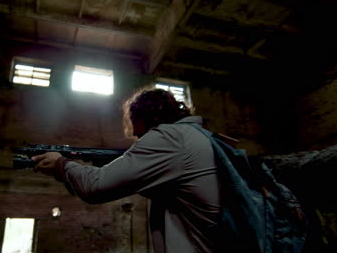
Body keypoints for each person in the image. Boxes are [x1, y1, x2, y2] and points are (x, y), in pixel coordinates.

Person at [32, 88, 221, 253]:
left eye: (140, 134)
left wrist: (60, 163)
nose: (138, 140)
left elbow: (95, 187)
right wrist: (70, 175)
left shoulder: (169, 138)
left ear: (147, 118)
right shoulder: (197, 137)